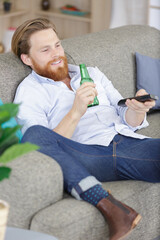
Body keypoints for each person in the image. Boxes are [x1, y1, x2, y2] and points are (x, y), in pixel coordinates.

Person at [12, 18, 160, 240]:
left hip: (128, 145)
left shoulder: (92, 73)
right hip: (87, 155)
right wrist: (76, 111)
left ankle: (119, 213)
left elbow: (126, 117)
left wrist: (138, 109)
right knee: (33, 136)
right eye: (45, 49)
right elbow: (41, 150)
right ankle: (105, 201)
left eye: (57, 45)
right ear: (27, 58)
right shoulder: (30, 92)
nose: (56, 53)